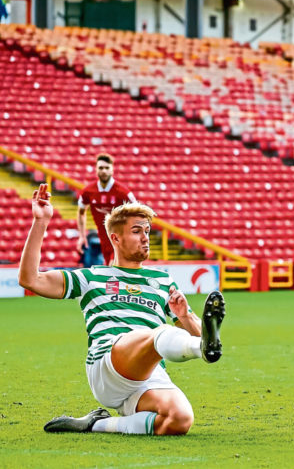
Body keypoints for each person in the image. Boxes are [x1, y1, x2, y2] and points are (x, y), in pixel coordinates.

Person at [19, 185, 226, 435]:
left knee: (179, 419)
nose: (145, 237)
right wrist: (41, 221)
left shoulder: (162, 281)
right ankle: (197, 351)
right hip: (107, 365)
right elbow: (30, 279)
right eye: (137, 231)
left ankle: (95, 424)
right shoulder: (91, 277)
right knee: (160, 333)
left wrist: (184, 316)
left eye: (147, 231)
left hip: (148, 372)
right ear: (115, 238)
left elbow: (203, 337)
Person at [78, 153, 137, 266]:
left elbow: (138, 213)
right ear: (96, 169)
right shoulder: (88, 192)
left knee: (112, 267)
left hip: (120, 238)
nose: (104, 171)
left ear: (112, 169)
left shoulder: (123, 192)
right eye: (101, 168)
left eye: (107, 168)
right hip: (104, 239)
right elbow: (81, 212)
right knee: (110, 269)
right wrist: (82, 236)